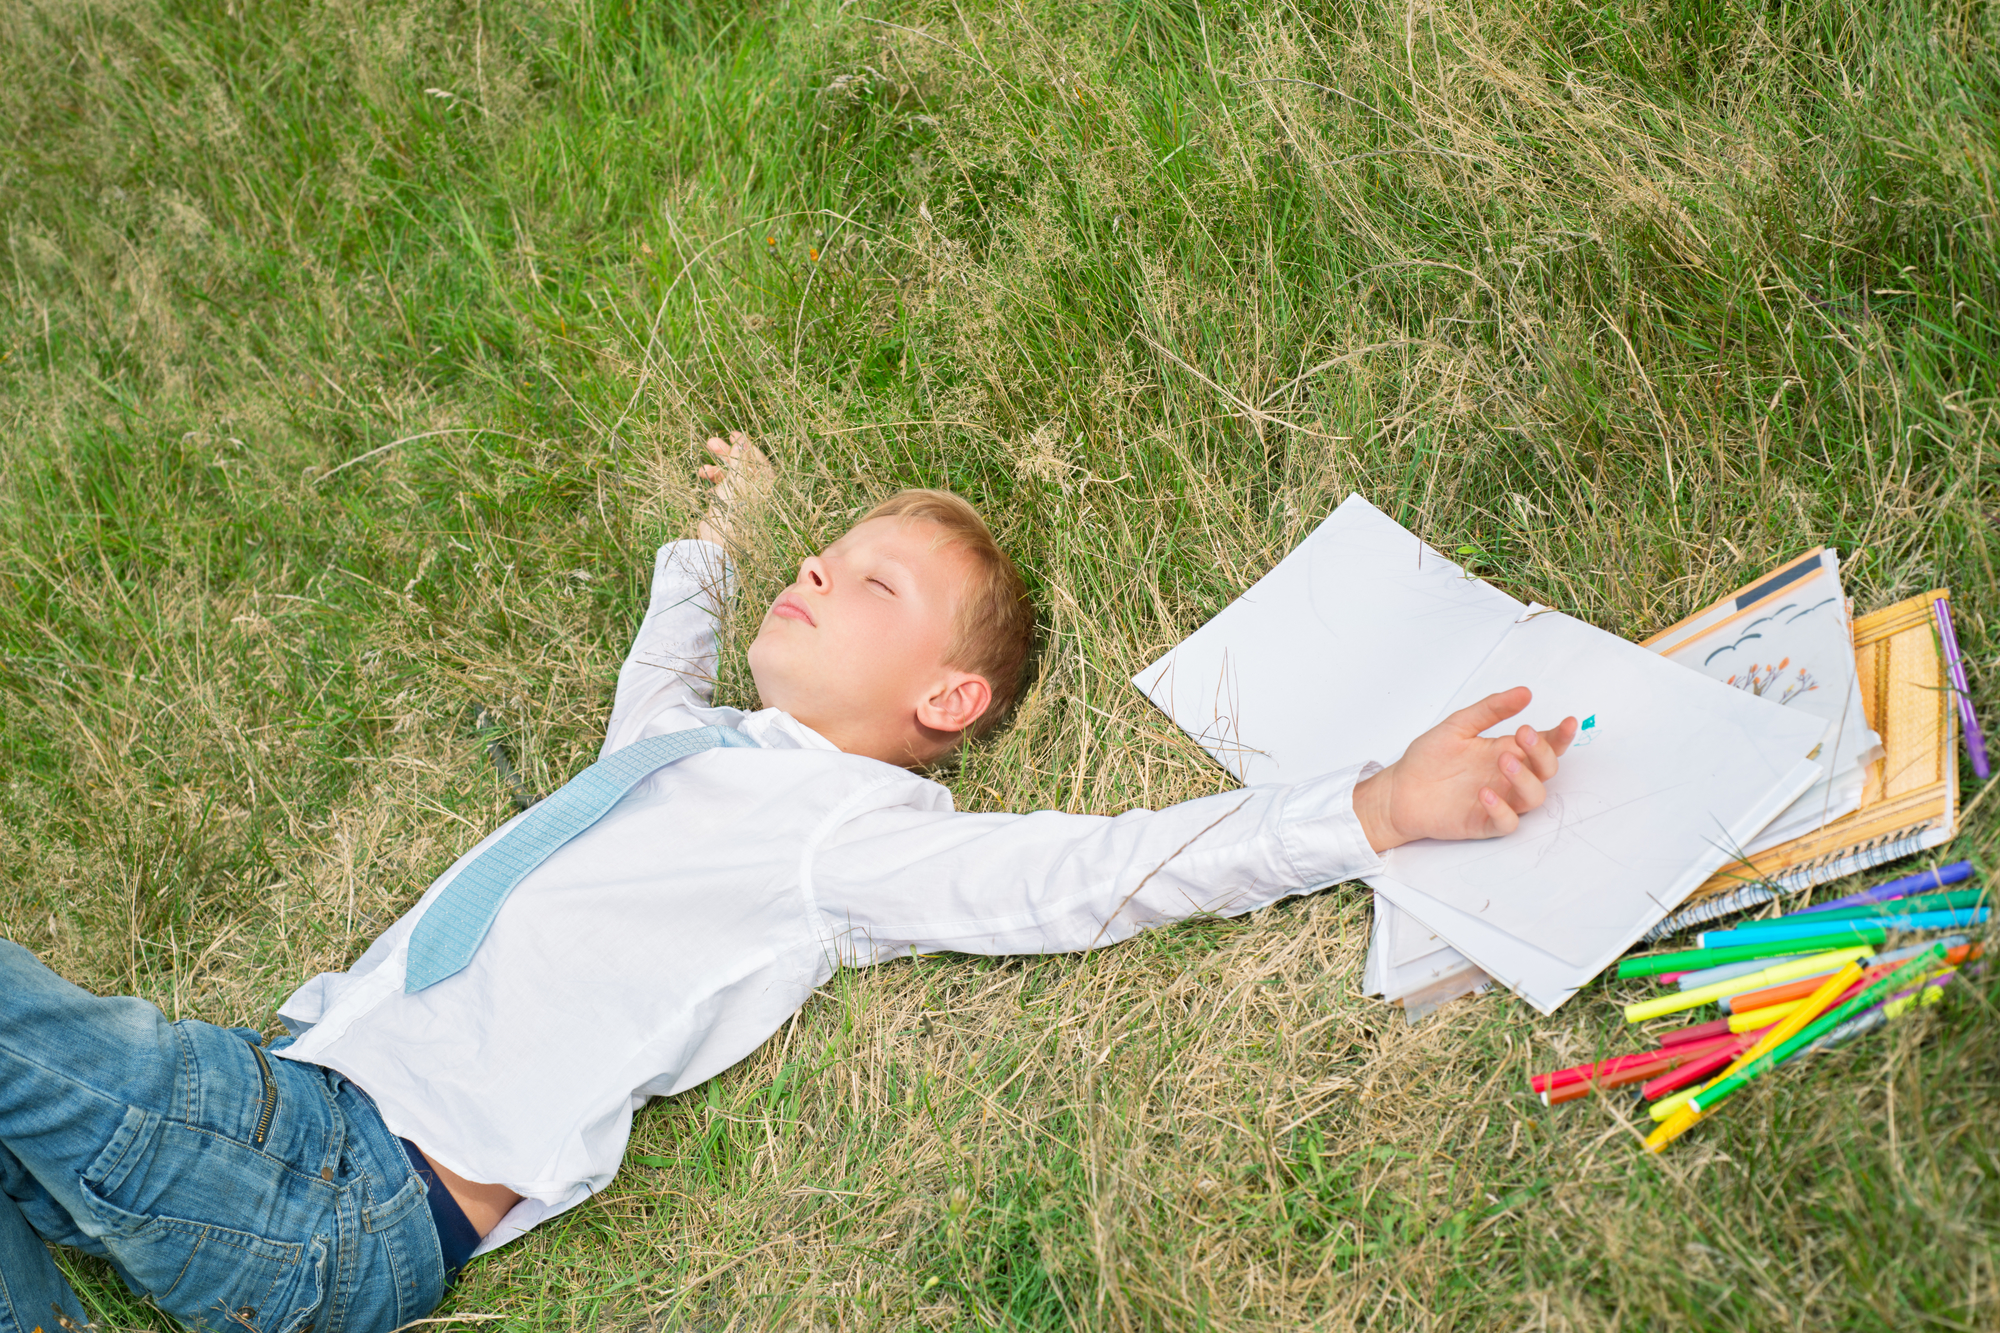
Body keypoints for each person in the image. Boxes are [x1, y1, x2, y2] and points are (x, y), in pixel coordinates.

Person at [0, 434, 1576, 1332]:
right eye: (823, 554)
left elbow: (1096, 872)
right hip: (272, 1089)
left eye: (869, 580)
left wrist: (1372, 805)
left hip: (342, 1189)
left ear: (944, 705)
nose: (819, 572)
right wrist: (719, 537)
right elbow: (663, 656)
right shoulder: (682, 742)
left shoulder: (844, 833)